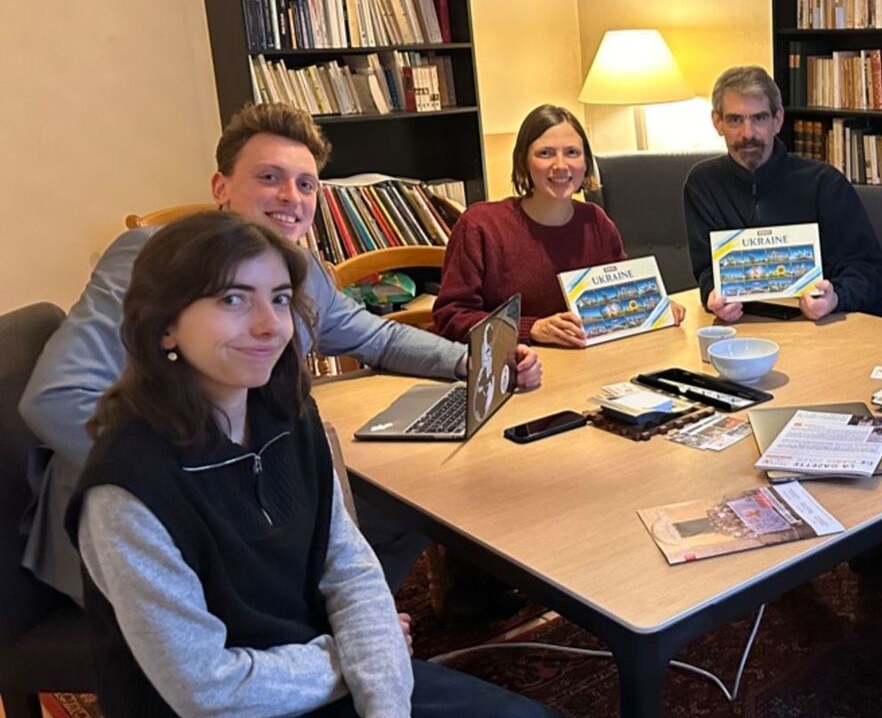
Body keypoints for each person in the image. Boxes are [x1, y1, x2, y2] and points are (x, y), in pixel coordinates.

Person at [68, 212, 612, 718]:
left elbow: (348, 567)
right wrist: (350, 664)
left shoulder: (286, 412)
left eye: (279, 298)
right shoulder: (126, 487)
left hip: (311, 672)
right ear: (164, 326)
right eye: (233, 300)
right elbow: (202, 685)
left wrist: (386, 708)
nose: (269, 325)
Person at [20, 103, 542, 602]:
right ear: (221, 187)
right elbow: (56, 397)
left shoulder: (302, 269)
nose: (291, 197)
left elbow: (378, 337)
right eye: (269, 177)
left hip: (256, 486)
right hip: (143, 522)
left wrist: (470, 361)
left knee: (416, 503)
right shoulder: (152, 259)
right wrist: (210, 483)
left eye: (306, 184)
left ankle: (341, 623)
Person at [432, 104, 682, 348]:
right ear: (523, 161)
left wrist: (653, 306)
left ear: (586, 162)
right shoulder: (481, 226)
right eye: (545, 153)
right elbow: (451, 316)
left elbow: (623, 297)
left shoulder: (596, 222)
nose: (561, 165)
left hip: (589, 362)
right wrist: (530, 328)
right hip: (516, 365)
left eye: (572, 152)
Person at [684, 66, 882, 322]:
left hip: (819, 325)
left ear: (777, 120)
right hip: (740, 326)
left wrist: (836, 297)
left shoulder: (825, 183)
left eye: (759, 118)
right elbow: (706, 269)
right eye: (735, 120)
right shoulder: (703, 184)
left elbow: (868, 270)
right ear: (717, 122)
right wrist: (713, 295)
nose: (748, 134)